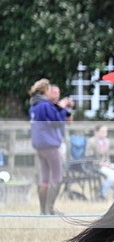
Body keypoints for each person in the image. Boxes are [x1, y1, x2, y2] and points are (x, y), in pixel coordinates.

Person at [29, 79, 74, 214]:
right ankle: (50, 209)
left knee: (44, 180)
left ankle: (43, 211)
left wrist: (61, 108)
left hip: (39, 146)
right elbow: (58, 121)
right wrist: (62, 106)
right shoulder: (45, 105)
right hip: (50, 146)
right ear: (45, 90)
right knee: (57, 177)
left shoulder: (34, 105)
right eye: (49, 89)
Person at [86, 124, 114, 199]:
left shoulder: (107, 141)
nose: (104, 133)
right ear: (96, 132)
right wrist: (100, 163)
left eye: (105, 131)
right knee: (112, 177)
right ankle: (102, 194)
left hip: (106, 165)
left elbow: (107, 156)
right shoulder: (91, 141)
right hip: (95, 165)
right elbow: (88, 156)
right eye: (102, 131)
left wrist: (108, 163)